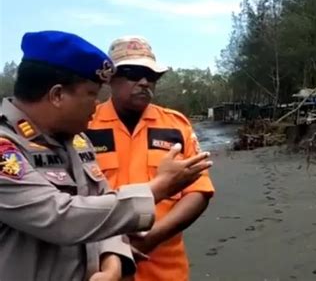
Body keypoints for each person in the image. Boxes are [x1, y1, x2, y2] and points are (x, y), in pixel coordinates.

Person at [0, 30, 212, 281]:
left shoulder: (76, 140)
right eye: (91, 94)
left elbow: (101, 200)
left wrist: (113, 260)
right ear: (57, 95)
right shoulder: (8, 148)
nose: (95, 104)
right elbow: (62, 216)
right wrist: (157, 188)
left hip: (160, 268)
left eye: (152, 75)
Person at [87, 35, 215, 281]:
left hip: (165, 268)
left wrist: (152, 237)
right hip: (100, 268)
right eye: (133, 73)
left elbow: (198, 191)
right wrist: (113, 247)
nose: (145, 82)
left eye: (152, 75)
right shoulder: (84, 126)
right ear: (109, 78)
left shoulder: (176, 126)